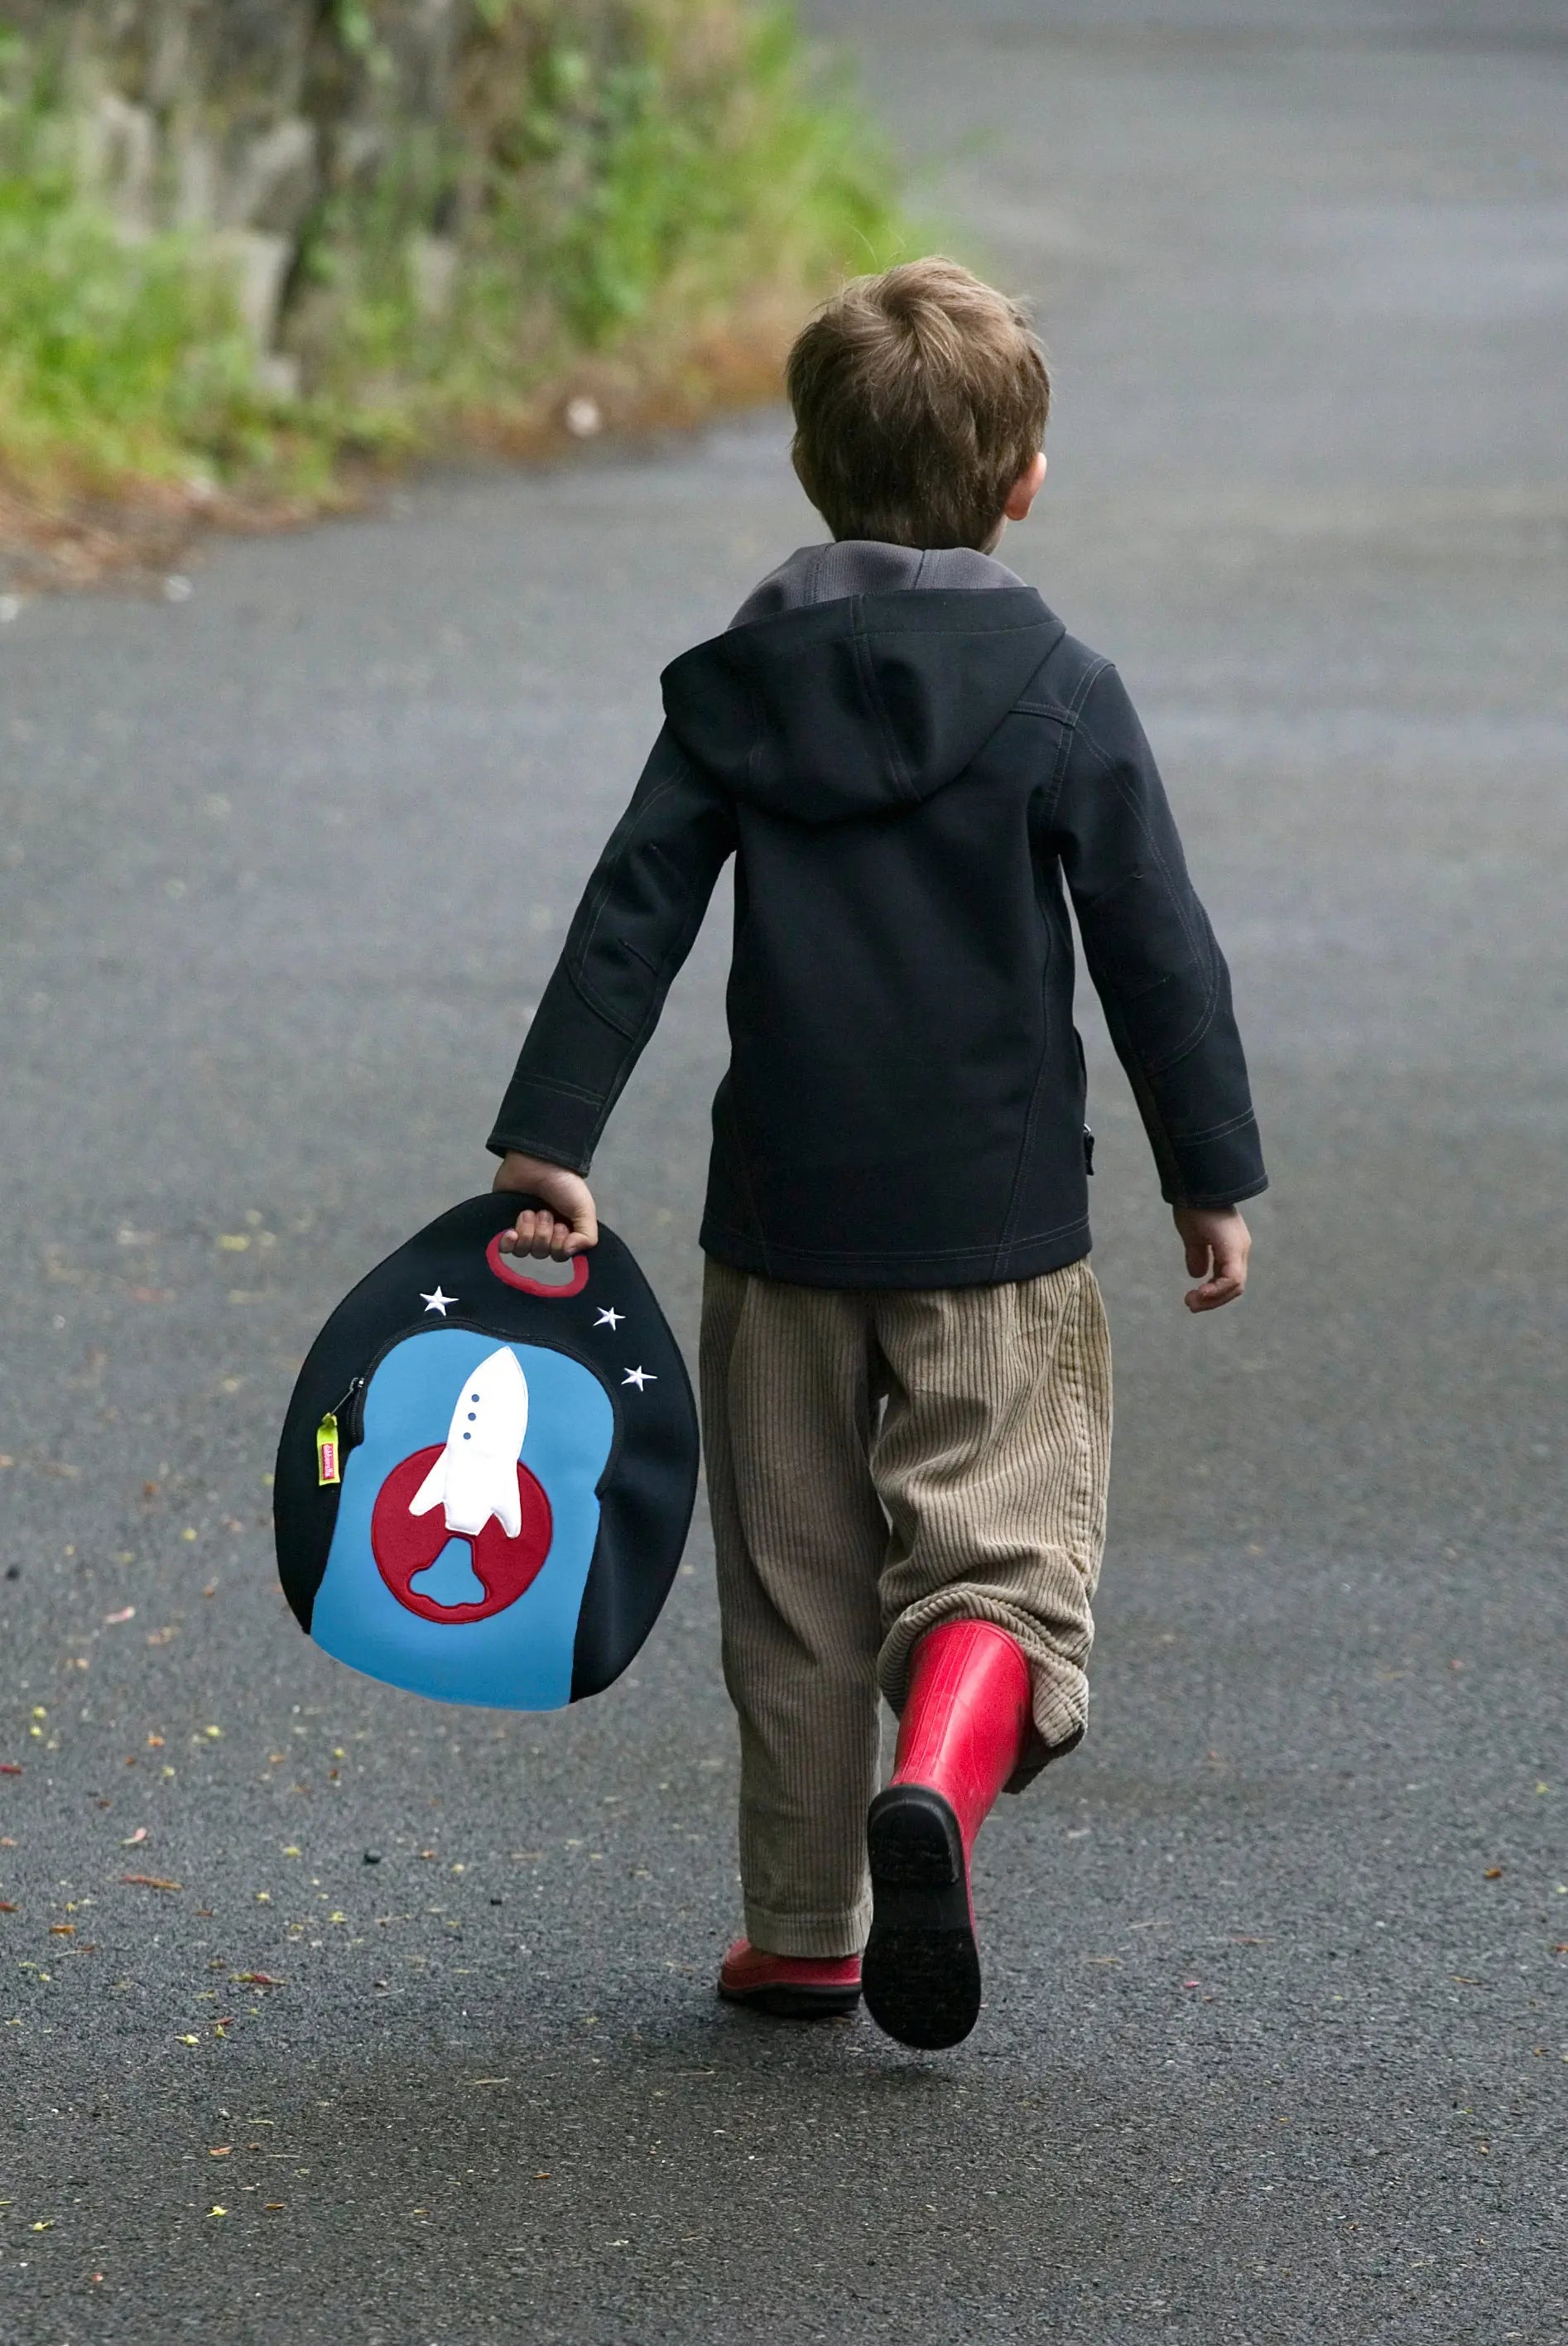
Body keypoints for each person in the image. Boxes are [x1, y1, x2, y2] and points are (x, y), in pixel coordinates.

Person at [486, 258, 1266, 2050]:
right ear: (1022, 480)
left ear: (805, 465)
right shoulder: (1059, 685)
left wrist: (548, 1139)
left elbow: (632, 915)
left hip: (780, 1217)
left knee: (799, 1587)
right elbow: (1154, 938)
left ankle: (798, 1929)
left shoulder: (737, 691)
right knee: (995, 1550)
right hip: (995, 1220)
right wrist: (1201, 1170)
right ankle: (944, 1764)